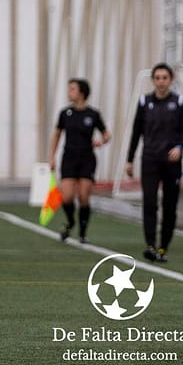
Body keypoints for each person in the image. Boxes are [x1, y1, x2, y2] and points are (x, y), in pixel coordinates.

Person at [125, 63, 183, 263]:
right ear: (153, 80)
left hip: (171, 162)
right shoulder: (145, 102)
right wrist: (129, 159)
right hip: (150, 159)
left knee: (170, 205)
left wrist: (179, 147)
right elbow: (136, 132)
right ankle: (150, 245)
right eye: (157, 78)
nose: (161, 81)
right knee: (150, 202)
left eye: (165, 77)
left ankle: (163, 247)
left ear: (170, 80)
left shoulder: (179, 101)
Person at [48, 78, 111, 244]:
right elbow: (56, 135)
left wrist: (102, 141)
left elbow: (106, 134)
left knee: (84, 196)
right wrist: (52, 157)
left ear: (81, 92)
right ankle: (70, 222)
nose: (69, 92)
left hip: (87, 159)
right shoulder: (65, 113)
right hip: (69, 158)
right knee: (67, 197)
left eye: (72, 89)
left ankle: (83, 233)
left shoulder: (93, 114)